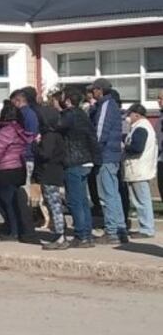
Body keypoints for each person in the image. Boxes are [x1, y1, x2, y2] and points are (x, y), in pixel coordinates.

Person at [0, 101, 34, 243]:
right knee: (14, 201)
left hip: (5, 169)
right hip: (19, 167)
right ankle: (17, 228)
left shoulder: (5, 132)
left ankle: (13, 231)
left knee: (6, 202)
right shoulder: (20, 130)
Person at [58, 87, 99, 248]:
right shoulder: (83, 114)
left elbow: (56, 127)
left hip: (74, 160)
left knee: (75, 200)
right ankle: (86, 234)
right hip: (86, 160)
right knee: (82, 200)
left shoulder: (69, 115)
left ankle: (81, 234)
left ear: (67, 100)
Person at [90, 78, 128, 244]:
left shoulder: (106, 106)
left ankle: (111, 230)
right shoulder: (111, 105)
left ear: (100, 90)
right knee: (114, 193)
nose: (92, 93)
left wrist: (94, 151)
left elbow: (100, 132)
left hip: (105, 155)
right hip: (112, 154)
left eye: (94, 90)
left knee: (106, 194)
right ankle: (120, 228)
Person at [123, 104, 158, 239]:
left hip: (139, 169)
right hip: (138, 169)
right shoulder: (141, 127)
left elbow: (137, 148)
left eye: (130, 114)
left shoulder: (141, 128)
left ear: (136, 115)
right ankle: (146, 227)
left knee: (142, 200)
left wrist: (125, 146)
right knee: (140, 200)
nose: (128, 117)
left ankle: (147, 228)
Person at [34, 111, 68, 250]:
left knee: (54, 204)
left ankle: (59, 235)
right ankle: (59, 233)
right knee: (53, 204)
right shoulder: (58, 135)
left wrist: (35, 146)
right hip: (55, 172)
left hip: (49, 173)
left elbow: (45, 154)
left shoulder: (49, 136)